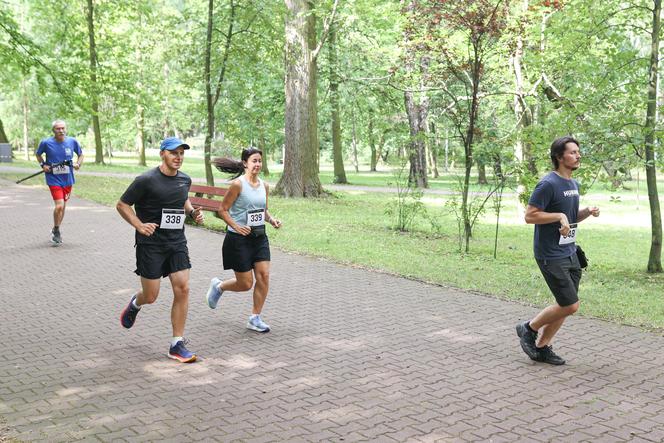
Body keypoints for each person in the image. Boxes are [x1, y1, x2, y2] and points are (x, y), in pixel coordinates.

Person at [117, 137, 204, 363]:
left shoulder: (185, 179)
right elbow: (122, 204)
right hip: (151, 244)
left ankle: (177, 343)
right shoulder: (146, 180)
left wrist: (193, 212)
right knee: (151, 295)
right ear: (162, 154)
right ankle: (136, 303)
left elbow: (183, 199)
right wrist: (138, 224)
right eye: (174, 153)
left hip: (176, 242)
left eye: (182, 153)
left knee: (183, 288)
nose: (178, 157)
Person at [516, 136, 600, 365]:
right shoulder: (548, 184)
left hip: (570, 252)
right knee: (570, 305)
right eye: (572, 152)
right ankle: (528, 328)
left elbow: (569, 219)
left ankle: (542, 347)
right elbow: (530, 215)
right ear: (559, 157)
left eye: (578, 151)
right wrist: (559, 216)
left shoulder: (572, 184)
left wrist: (586, 211)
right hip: (550, 254)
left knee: (565, 306)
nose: (578, 155)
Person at [205, 148, 282, 333]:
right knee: (245, 284)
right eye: (254, 161)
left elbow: (262, 209)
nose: (257, 164)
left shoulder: (264, 186)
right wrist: (236, 226)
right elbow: (222, 210)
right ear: (245, 163)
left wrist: (271, 220)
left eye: (259, 161)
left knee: (263, 275)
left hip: (259, 236)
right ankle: (219, 286)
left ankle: (255, 318)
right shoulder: (238, 185)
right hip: (238, 239)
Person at [35, 119, 84, 245]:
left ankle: (56, 229)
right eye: (58, 128)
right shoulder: (46, 142)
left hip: (68, 179)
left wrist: (78, 164)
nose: (61, 130)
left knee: (63, 207)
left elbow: (81, 155)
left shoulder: (72, 141)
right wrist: (43, 165)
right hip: (53, 178)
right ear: (53, 130)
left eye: (63, 128)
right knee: (59, 206)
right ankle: (56, 231)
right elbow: (38, 154)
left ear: (66, 129)